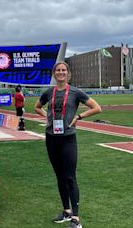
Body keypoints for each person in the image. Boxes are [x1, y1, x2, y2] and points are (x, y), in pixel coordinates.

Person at [34, 61, 102, 228]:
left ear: (68, 73)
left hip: (68, 139)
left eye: (64, 70)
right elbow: (37, 107)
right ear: (54, 73)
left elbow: (97, 108)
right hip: (51, 138)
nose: (61, 72)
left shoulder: (75, 92)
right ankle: (66, 211)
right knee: (59, 177)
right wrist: (47, 117)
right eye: (58, 70)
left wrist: (79, 117)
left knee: (70, 177)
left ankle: (76, 219)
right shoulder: (49, 92)